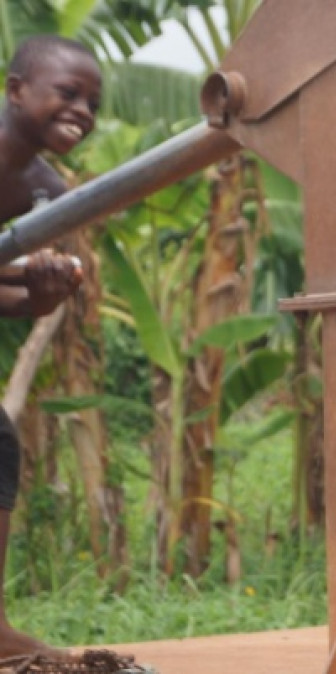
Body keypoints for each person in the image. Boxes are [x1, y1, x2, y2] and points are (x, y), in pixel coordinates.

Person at [0, 34, 99, 659]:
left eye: (93, 104)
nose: (82, 112)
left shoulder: (49, 194)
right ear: (16, 91)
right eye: (68, 93)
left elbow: (15, 303)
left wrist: (41, 294)